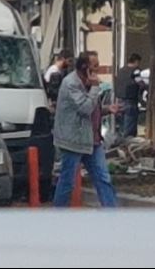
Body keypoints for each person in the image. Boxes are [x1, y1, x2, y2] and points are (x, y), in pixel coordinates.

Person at [52, 52, 121, 208]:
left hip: (92, 140)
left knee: (103, 178)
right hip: (74, 141)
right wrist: (95, 87)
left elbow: (93, 109)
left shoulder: (89, 82)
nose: (97, 69)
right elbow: (84, 108)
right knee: (67, 181)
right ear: (84, 66)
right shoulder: (71, 83)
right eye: (94, 65)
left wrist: (107, 109)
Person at [115, 53, 146, 138]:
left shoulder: (121, 71)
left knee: (121, 129)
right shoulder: (135, 71)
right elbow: (141, 84)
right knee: (129, 132)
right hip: (130, 102)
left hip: (119, 102)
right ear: (136, 61)